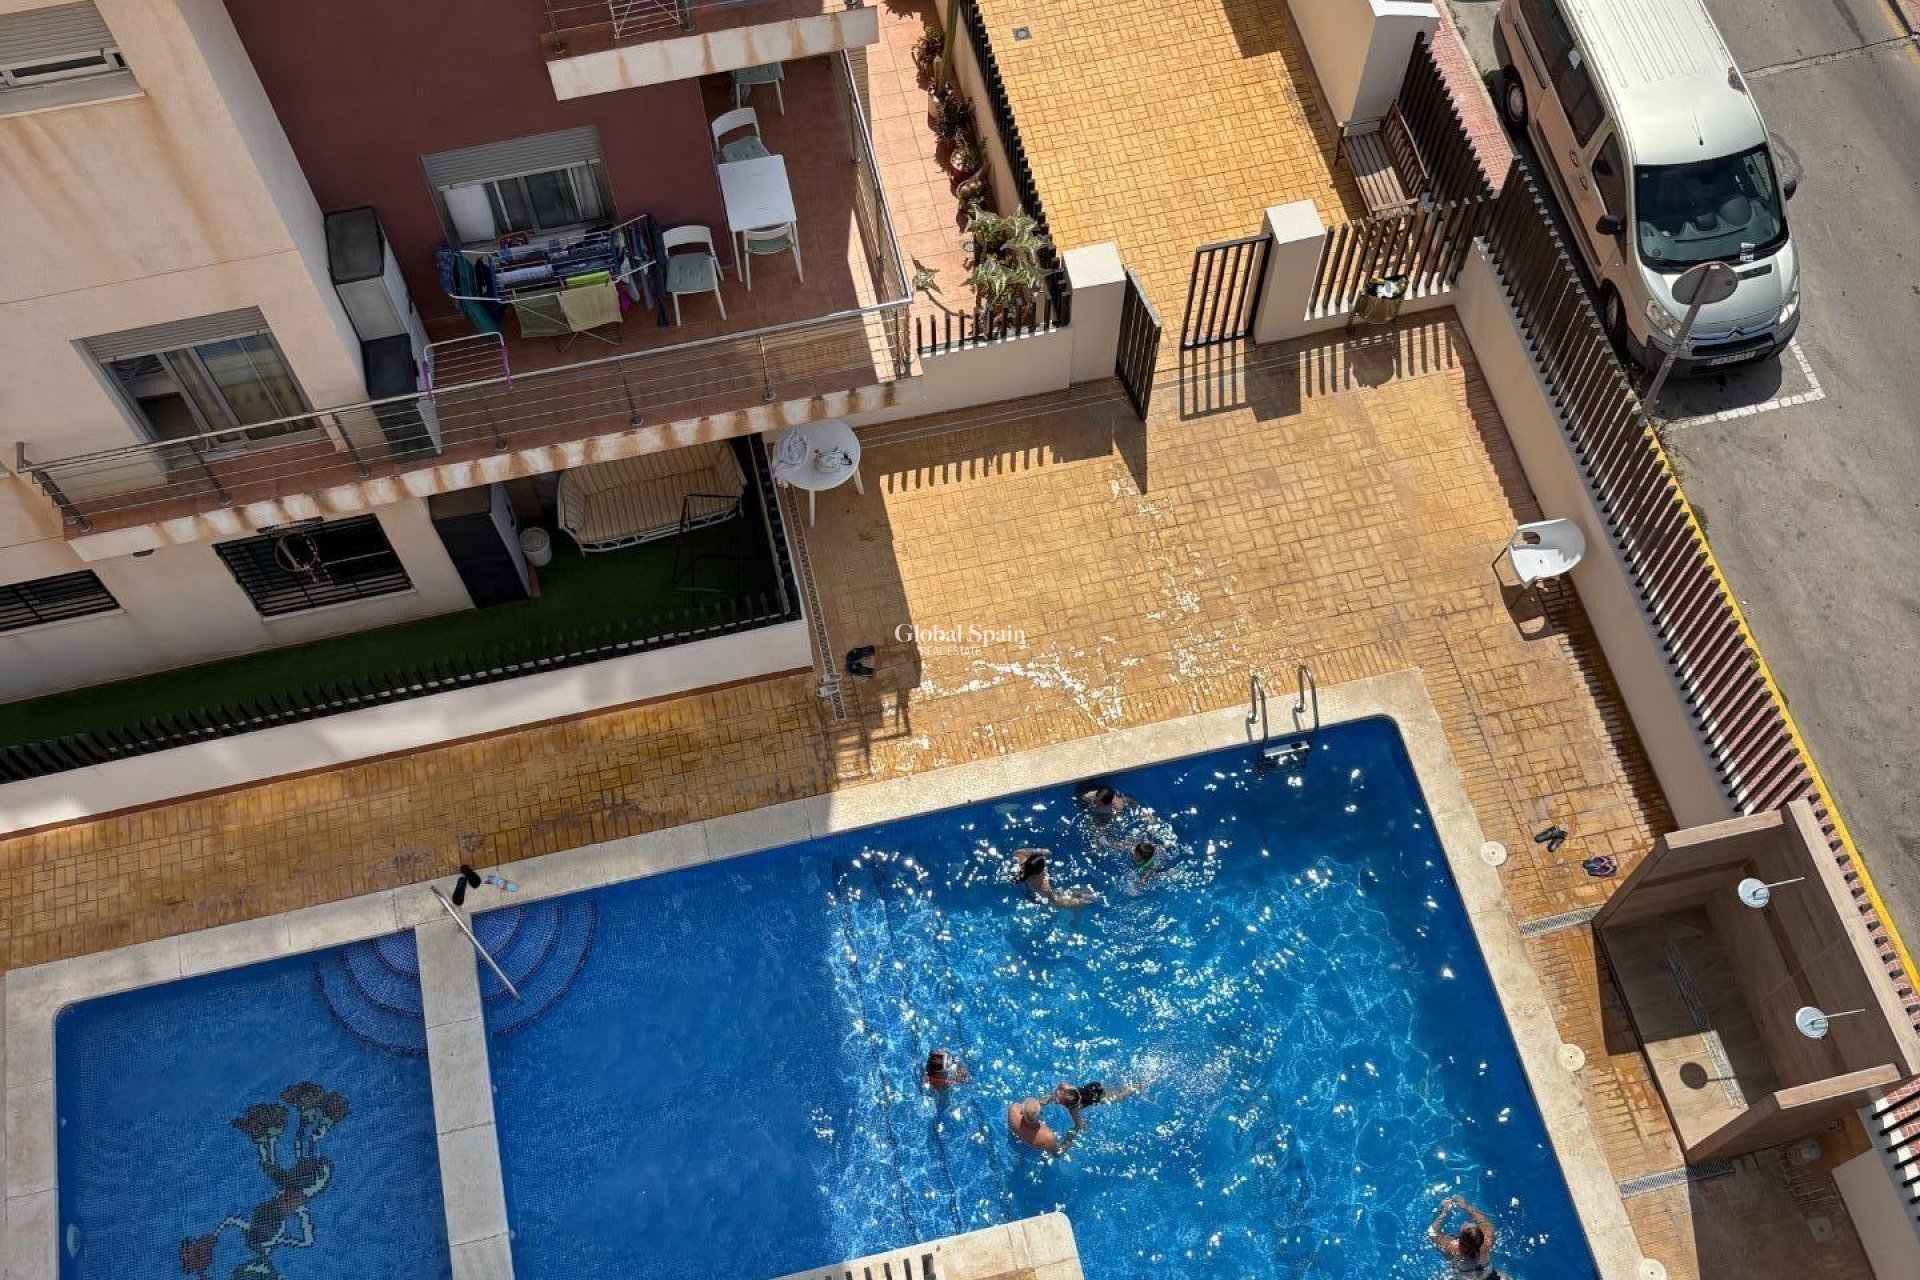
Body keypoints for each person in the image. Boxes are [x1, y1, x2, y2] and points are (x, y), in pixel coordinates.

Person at [1428, 1196, 1500, 1279]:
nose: (1465, 1222)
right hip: (1488, 1276)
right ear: (1482, 1237)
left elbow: (1432, 1233)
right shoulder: (1488, 1241)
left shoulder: (1452, 1248)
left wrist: (1443, 1213)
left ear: (1460, 1241)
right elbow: (1484, 1221)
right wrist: (1466, 1206)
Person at [1012, 849, 1095, 908]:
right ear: (1039, 873)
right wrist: (1080, 901)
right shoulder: (1043, 887)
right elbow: (1057, 902)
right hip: (1034, 896)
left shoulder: (1021, 859)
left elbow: (1018, 852)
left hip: (1027, 884)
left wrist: (1042, 852)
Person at [1052, 1080, 1139, 1130]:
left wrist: (1082, 1127)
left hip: (1094, 1098)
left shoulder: (1073, 1110)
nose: (1056, 1101)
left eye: (1059, 1101)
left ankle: (1132, 1090)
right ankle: (1124, 1085)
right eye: (1057, 1094)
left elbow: (1079, 1125)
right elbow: (1061, 1085)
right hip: (1094, 1086)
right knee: (1108, 1091)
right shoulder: (1064, 1086)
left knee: (1112, 1099)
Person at [1006, 1097, 1072, 1154]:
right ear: (1040, 1114)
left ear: (1021, 1112)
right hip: (1034, 1150)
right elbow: (1056, 1153)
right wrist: (1068, 1141)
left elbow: (1024, 1109)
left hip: (1014, 1140)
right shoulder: (1048, 1137)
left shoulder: (1013, 1109)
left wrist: (1034, 1106)